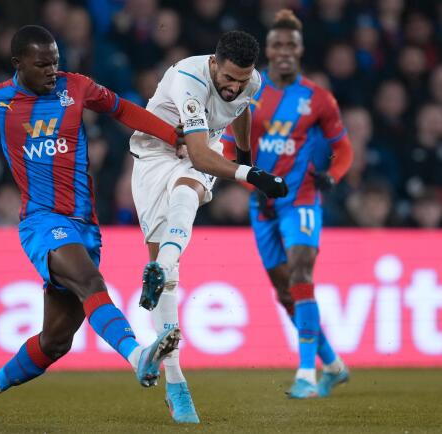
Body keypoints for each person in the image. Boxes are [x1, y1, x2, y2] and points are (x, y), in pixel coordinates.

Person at [0, 25, 185, 424]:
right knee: (91, 284)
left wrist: (172, 136)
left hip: (85, 224)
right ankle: (138, 357)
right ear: (18, 64)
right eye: (42, 64)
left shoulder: (76, 88)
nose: (52, 71)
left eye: (55, 63)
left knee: (55, 342)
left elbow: (121, 110)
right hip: (42, 222)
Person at [129, 30, 288, 423]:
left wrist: (246, 152)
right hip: (153, 155)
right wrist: (252, 174)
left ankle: (163, 266)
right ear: (214, 63)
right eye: (228, 78)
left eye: (242, 78)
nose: (233, 87)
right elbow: (198, 154)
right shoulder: (190, 78)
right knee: (168, 279)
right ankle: (175, 379)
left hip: (199, 154)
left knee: (188, 192)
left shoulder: (249, 81)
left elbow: (242, 108)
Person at [221, 10, 353, 399]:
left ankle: (306, 375)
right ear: (268, 50)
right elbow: (230, 150)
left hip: (302, 200)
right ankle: (333, 364)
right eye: (276, 45)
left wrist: (334, 175)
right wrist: (250, 187)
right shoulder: (250, 93)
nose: (283, 51)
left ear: (300, 50)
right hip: (261, 204)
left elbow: (343, 148)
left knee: (300, 273)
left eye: (290, 45)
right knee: (284, 292)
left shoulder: (318, 99)